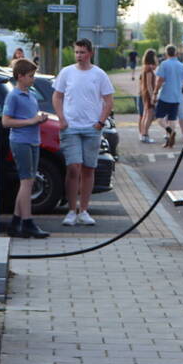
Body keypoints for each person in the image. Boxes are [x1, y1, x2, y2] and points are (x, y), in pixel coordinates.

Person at [52, 38, 114, 226]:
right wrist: (62, 118)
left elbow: (108, 100)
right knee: (73, 167)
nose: (79, 56)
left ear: (90, 53)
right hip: (71, 128)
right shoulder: (66, 72)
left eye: (82, 52)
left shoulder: (99, 74)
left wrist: (100, 122)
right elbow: (57, 96)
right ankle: (71, 210)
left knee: (89, 168)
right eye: (77, 52)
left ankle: (84, 209)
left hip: (91, 128)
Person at [2, 58, 50, 239]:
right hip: (21, 141)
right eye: (30, 76)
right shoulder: (13, 96)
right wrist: (31, 121)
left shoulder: (30, 95)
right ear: (20, 77)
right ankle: (28, 222)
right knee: (27, 181)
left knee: (27, 181)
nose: (33, 79)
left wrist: (39, 118)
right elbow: (6, 121)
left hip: (33, 141)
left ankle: (16, 223)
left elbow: (29, 116)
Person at [153, 45, 183, 148]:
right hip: (177, 96)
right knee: (172, 119)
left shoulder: (164, 64)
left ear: (166, 53)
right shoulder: (181, 65)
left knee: (159, 117)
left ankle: (169, 131)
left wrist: (155, 93)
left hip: (165, 95)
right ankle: (170, 141)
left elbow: (160, 80)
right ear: (176, 53)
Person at [137, 49, 158, 143]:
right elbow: (149, 85)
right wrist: (153, 96)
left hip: (144, 94)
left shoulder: (144, 68)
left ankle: (143, 134)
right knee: (149, 115)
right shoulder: (149, 69)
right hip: (148, 95)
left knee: (145, 115)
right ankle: (145, 134)